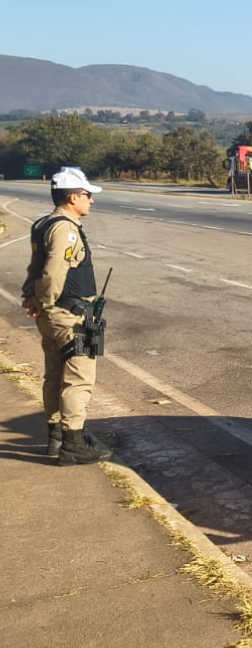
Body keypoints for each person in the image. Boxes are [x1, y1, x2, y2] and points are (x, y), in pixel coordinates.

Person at [20, 167, 113, 466]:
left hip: (52, 317)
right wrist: (42, 300)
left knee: (54, 377)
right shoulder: (66, 229)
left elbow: (35, 267)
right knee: (78, 381)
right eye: (87, 195)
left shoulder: (43, 224)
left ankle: (56, 439)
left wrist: (31, 299)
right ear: (73, 197)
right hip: (69, 316)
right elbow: (53, 271)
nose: (91, 201)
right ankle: (73, 444)